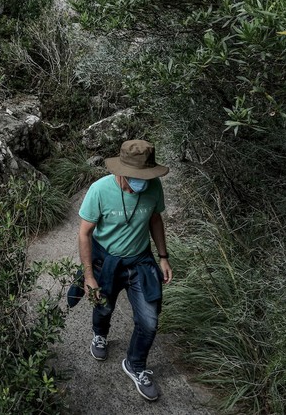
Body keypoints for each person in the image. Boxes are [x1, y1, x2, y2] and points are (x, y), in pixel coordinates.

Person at [77, 139, 172, 402]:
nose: (141, 182)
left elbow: (155, 219)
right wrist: (88, 275)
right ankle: (100, 335)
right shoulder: (99, 190)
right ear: (120, 171)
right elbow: (85, 233)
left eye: (145, 176)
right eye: (135, 177)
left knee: (149, 322)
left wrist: (163, 257)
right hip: (106, 261)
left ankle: (135, 365)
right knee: (103, 306)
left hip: (141, 262)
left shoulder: (154, 187)